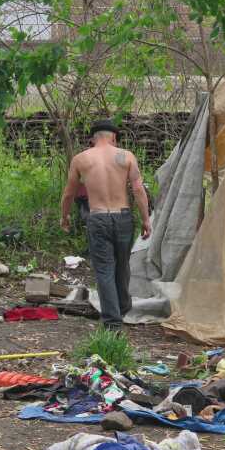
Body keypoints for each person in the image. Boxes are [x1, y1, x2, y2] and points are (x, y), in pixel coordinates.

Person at [61, 120, 151, 330]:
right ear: (114, 137)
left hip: (98, 218)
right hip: (123, 217)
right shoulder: (126, 156)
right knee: (122, 266)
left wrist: (64, 217)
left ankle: (113, 322)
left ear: (92, 139)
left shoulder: (81, 159)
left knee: (104, 270)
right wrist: (146, 219)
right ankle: (122, 307)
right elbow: (138, 190)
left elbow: (69, 193)